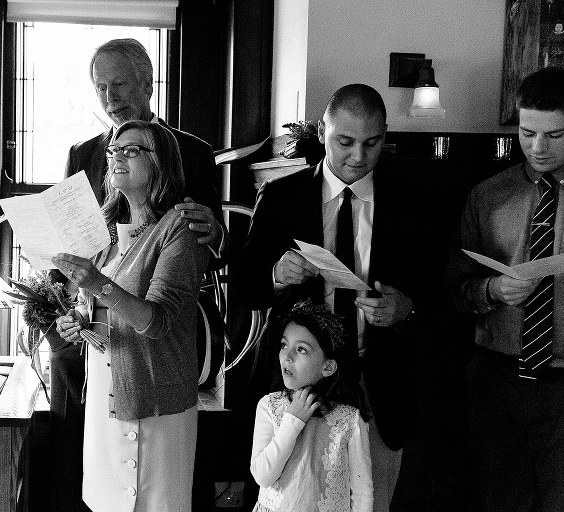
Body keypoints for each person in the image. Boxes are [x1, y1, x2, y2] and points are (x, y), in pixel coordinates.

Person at [49, 38, 228, 511]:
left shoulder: (191, 151)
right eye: (100, 87)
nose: (109, 98)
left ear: (149, 82)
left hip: (161, 337)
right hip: (92, 337)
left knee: (160, 484)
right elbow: (77, 249)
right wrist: (68, 309)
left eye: (119, 84)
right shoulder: (81, 154)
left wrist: (216, 234)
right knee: (92, 470)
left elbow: (212, 242)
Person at [237, 84, 420, 512]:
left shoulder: (411, 201)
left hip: (378, 382)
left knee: (368, 499)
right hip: (299, 383)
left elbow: (436, 289)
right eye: (345, 142)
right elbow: (246, 286)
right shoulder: (282, 196)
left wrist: (405, 308)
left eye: (372, 143)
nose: (358, 156)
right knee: (293, 497)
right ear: (322, 131)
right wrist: (276, 276)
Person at [445, 66, 564, 512]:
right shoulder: (487, 195)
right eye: (527, 131)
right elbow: (453, 290)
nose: (537, 147)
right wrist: (492, 290)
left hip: (563, 378)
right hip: (498, 376)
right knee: (501, 501)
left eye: (554, 135)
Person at [250, 299, 373, 512]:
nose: (287, 356)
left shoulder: (349, 419)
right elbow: (263, 476)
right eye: (284, 345)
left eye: (301, 349)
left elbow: (362, 493)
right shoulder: (269, 406)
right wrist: (292, 421)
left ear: (328, 366)